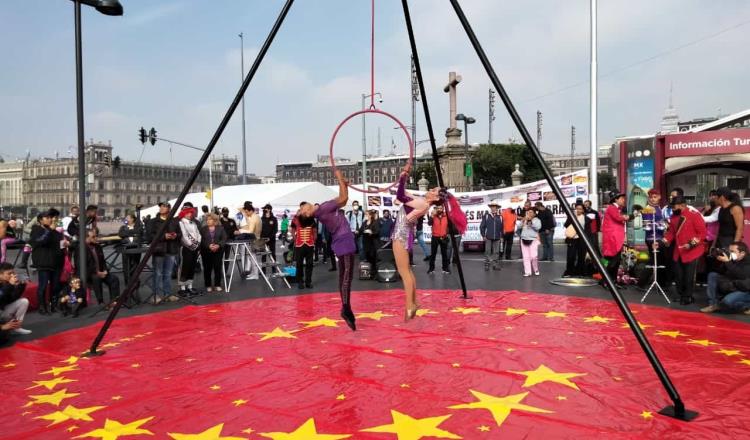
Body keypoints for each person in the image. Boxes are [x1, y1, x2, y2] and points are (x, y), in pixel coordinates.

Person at [393, 163, 466, 320]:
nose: (431, 190)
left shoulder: (422, 203)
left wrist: (403, 176)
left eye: (434, 190)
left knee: (404, 272)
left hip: (400, 236)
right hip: (404, 235)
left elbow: (400, 196)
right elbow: (402, 195)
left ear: (437, 198)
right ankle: (413, 303)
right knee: (407, 271)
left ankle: (409, 306)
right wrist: (402, 178)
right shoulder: (422, 202)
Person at [297, 170, 358, 330]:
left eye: (302, 207)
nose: (302, 207)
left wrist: (343, 184)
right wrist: (339, 177)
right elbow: (344, 200)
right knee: (346, 277)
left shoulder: (322, 208)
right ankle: (346, 308)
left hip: (342, 240)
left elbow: (341, 199)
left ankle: (346, 307)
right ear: (308, 213)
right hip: (344, 240)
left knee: (345, 276)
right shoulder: (322, 209)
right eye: (302, 210)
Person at [656, 196, 706, 305]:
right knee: (678, 275)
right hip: (678, 251)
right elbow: (671, 233)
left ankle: (687, 296)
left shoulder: (694, 215)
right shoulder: (674, 216)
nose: (672, 209)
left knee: (689, 275)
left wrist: (691, 244)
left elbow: (702, 233)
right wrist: (660, 242)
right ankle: (681, 294)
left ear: (682, 205)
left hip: (692, 251)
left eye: (674, 207)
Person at [30, 209, 66, 315]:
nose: (50, 219)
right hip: (44, 262)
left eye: (51, 218)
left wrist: (65, 245)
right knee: (43, 285)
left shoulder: (55, 232)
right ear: (41, 220)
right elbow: (41, 241)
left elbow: (60, 246)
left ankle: (53, 305)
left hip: (56, 263)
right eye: (47, 218)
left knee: (55, 286)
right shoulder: (36, 229)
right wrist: (49, 230)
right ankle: (42, 306)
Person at [701, 241, 750, 313]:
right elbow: (722, 272)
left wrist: (727, 262)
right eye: (729, 251)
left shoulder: (748, 262)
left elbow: (741, 275)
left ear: (742, 253)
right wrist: (721, 261)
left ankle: (746, 306)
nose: (730, 253)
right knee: (712, 275)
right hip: (733, 285)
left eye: (733, 251)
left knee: (726, 302)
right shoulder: (733, 259)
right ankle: (713, 304)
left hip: (745, 290)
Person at [147, 202, 181, 302]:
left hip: (171, 249)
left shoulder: (173, 221)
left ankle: (168, 294)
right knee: (157, 273)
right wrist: (164, 236)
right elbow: (149, 237)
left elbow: (180, 234)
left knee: (168, 273)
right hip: (159, 250)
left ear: (169, 209)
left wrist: (175, 235)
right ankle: (156, 295)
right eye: (161, 206)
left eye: (164, 207)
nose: (162, 208)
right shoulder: (153, 222)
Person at [600, 190, 631, 288]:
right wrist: (631, 216)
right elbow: (619, 218)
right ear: (615, 199)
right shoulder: (612, 208)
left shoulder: (616, 209)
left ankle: (609, 280)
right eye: (622, 198)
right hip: (612, 240)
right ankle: (608, 281)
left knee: (612, 260)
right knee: (613, 260)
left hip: (615, 239)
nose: (624, 200)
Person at [85, 228, 120, 307]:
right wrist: (97, 272)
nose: (96, 238)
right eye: (93, 237)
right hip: (90, 273)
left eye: (96, 236)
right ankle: (100, 302)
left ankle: (114, 300)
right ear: (87, 238)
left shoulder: (98, 247)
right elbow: (83, 265)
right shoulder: (82, 248)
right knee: (96, 278)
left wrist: (105, 270)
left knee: (114, 279)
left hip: (100, 271)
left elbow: (103, 261)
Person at [0, 262, 31, 334]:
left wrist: (21, 285)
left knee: (24, 301)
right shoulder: (8, 284)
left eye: (13, 273)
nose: (12, 275)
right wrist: (10, 285)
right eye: (9, 273)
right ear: (0, 274)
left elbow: (11, 299)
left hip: (2, 311)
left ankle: (16, 327)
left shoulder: (6, 282)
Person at [177, 206, 201, 295]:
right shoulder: (181, 223)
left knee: (192, 267)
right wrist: (191, 244)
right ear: (183, 213)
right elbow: (184, 235)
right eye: (187, 212)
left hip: (194, 248)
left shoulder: (194, 223)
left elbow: (198, 234)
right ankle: (182, 288)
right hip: (186, 248)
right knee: (184, 267)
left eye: (191, 212)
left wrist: (197, 243)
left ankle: (190, 286)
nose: (189, 214)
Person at [291, 202, 316, 289]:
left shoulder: (311, 218)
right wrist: (294, 238)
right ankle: (300, 281)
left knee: (310, 264)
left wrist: (314, 239)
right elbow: (292, 228)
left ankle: (308, 282)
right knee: (299, 264)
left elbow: (314, 230)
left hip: (309, 244)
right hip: (299, 245)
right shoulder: (295, 218)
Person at [200, 213, 227, 293]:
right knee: (207, 269)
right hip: (206, 251)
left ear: (215, 220)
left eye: (210, 219)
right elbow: (201, 240)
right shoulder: (203, 229)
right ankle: (208, 285)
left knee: (217, 268)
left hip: (218, 251)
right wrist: (209, 246)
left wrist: (218, 245)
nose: (208, 221)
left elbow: (224, 238)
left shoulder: (221, 228)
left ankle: (217, 285)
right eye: (207, 220)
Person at [563, 203, 589, 277]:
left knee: (581, 256)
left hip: (581, 239)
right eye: (577, 208)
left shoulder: (586, 218)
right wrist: (572, 217)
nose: (578, 210)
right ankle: (569, 272)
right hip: (572, 239)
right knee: (571, 256)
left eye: (580, 209)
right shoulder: (572, 216)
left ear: (583, 210)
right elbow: (566, 225)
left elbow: (587, 229)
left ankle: (580, 272)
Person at [517, 208, 542, 277]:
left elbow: (538, 227)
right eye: (528, 212)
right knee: (526, 257)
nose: (529, 213)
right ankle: (528, 272)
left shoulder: (537, 220)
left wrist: (530, 221)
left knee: (534, 256)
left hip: (533, 240)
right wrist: (523, 220)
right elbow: (518, 227)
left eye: (531, 212)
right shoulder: (524, 219)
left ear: (534, 214)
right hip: (524, 239)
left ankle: (536, 269)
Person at [479, 200, 503, 270]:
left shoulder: (500, 217)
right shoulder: (486, 216)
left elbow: (502, 228)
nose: (493, 208)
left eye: (495, 207)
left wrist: (502, 236)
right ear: (490, 207)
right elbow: (482, 226)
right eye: (492, 206)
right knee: (488, 251)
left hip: (497, 237)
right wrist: (483, 235)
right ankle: (487, 264)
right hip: (488, 237)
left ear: (497, 208)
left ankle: (495, 265)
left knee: (496, 252)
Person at [427, 205, 450, 275]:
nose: (440, 209)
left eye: (441, 208)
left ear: (443, 209)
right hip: (435, 237)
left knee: (444, 254)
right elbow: (429, 223)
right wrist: (431, 216)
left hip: (443, 237)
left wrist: (446, 234)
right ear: (436, 209)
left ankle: (445, 268)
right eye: (438, 208)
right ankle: (431, 269)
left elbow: (449, 225)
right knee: (433, 254)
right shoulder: (433, 215)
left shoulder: (446, 216)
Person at [359, 209, 380, 275]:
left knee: (373, 257)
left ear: (370, 215)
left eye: (367, 214)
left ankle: (374, 272)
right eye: (365, 215)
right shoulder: (364, 222)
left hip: (372, 243)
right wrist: (359, 232)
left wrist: (371, 232)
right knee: (367, 257)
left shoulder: (375, 222)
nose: (366, 216)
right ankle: (369, 272)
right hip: (366, 242)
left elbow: (377, 232)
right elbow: (360, 231)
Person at [260, 204, 279, 273]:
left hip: (271, 240)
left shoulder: (274, 219)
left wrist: (269, 237)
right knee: (263, 255)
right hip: (263, 240)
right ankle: (263, 270)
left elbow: (275, 230)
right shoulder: (262, 219)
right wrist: (262, 238)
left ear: (269, 209)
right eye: (264, 209)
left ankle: (274, 270)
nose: (264, 210)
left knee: (272, 254)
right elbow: (260, 229)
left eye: (265, 209)